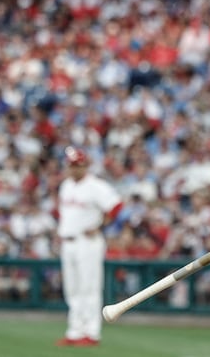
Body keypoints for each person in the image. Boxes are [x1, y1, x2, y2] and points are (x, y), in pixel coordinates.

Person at [55, 146, 123, 347]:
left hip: (88, 243)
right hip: (68, 242)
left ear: (85, 165)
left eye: (78, 165)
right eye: (72, 165)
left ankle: (91, 332)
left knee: (89, 288)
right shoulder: (66, 185)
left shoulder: (96, 186)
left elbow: (117, 206)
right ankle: (75, 331)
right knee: (72, 289)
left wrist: (100, 225)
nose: (75, 168)